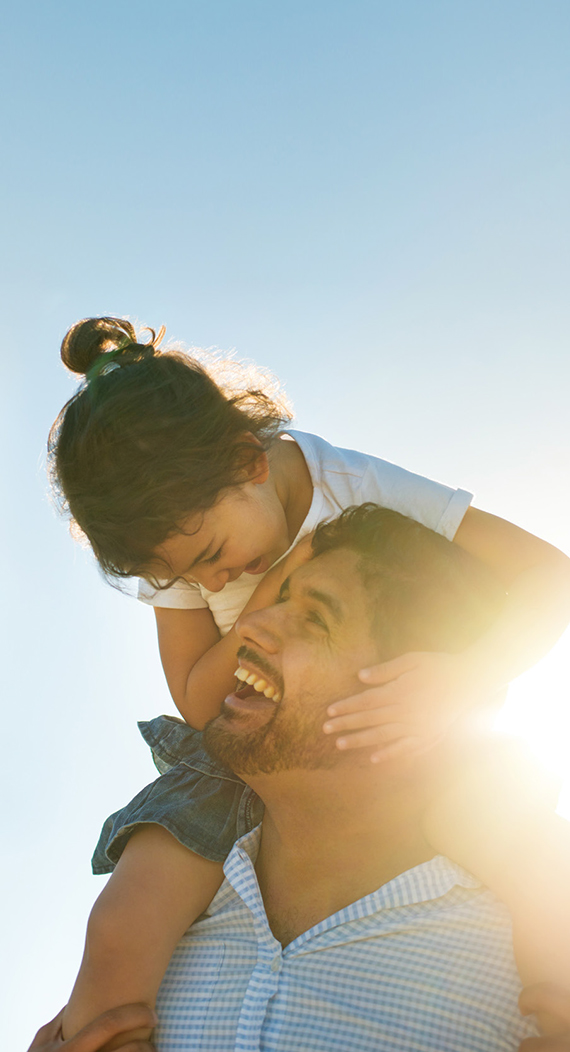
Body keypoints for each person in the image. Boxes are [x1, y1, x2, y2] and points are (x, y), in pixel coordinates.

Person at [49, 318, 570, 1041]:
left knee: (519, 843)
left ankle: (558, 1004)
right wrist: (289, 577)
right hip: (230, 750)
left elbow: (549, 577)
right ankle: (105, 1030)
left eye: (215, 555)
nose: (212, 582)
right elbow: (203, 703)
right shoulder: (179, 549)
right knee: (133, 901)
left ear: (250, 462)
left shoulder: (356, 484)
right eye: (181, 577)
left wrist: (463, 675)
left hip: (416, 725)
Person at [107, 505, 565, 1050]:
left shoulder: (536, 958)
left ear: (422, 696)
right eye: (279, 598)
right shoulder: (149, 937)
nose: (248, 624)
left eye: (315, 618)